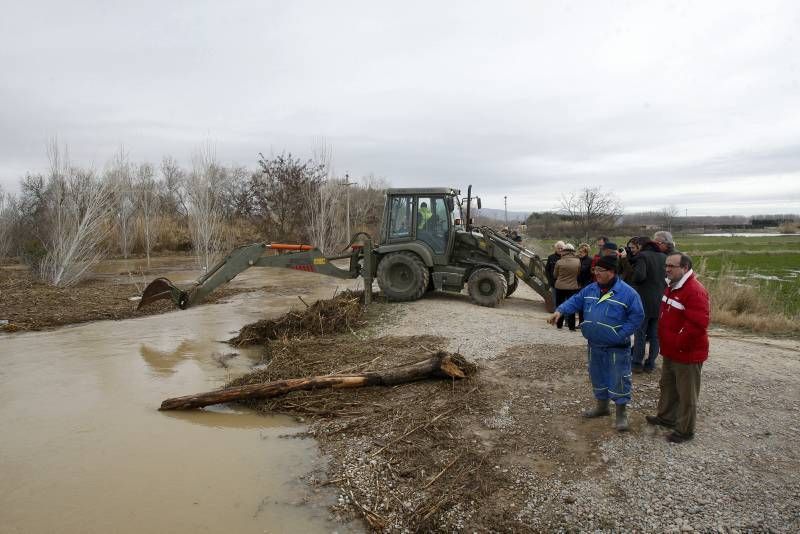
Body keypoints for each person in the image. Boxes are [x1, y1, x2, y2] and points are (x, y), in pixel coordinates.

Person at [548, 255, 645, 431]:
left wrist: (621, 333)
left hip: (617, 347)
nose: (596, 274)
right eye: (595, 270)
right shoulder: (590, 289)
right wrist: (560, 311)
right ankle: (602, 407)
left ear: (612, 271)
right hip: (595, 344)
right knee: (597, 375)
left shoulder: (628, 293)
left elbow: (637, 316)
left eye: (600, 270)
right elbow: (575, 301)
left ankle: (621, 414)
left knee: (619, 378)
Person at [646, 252, 710, 443]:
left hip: (687, 353)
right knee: (668, 386)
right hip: (671, 351)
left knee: (686, 394)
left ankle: (685, 430)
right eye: (666, 265)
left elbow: (698, 325)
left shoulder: (694, 291)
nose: (667, 269)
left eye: (672, 266)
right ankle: (666, 417)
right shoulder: (672, 286)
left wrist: (678, 343)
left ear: (685, 268)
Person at [630, 237, 667, 373]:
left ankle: (637, 363)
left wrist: (633, 276)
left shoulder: (642, 256)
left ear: (642, 246)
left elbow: (640, 276)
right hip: (660, 300)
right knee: (655, 335)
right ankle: (650, 363)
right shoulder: (664, 257)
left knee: (640, 333)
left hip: (644, 301)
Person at [553, 243, 581, 330]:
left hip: (560, 286)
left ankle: (559, 324)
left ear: (564, 251)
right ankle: (571, 326)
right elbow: (578, 273)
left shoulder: (559, 262)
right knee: (572, 305)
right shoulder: (577, 261)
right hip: (572, 287)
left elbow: (555, 275)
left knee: (560, 305)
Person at [576, 243, 593, 325]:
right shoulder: (578, 259)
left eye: (581, 252)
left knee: (585, 304)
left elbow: (583, 269)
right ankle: (580, 322)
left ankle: (584, 322)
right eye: (579, 251)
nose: (579, 253)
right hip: (578, 283)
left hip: (586, 284)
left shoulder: (589, 260)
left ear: (586, 252)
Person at [545, 241, 565, 305]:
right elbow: (547, 270)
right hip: (554, 283)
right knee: (555, 300)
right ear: (555, 249)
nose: (560, 250)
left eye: (561, 248)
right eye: (558, 248)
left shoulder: (566, 258)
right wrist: (550, 280)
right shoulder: (551, 257)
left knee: (563, 300)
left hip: (564, 283)